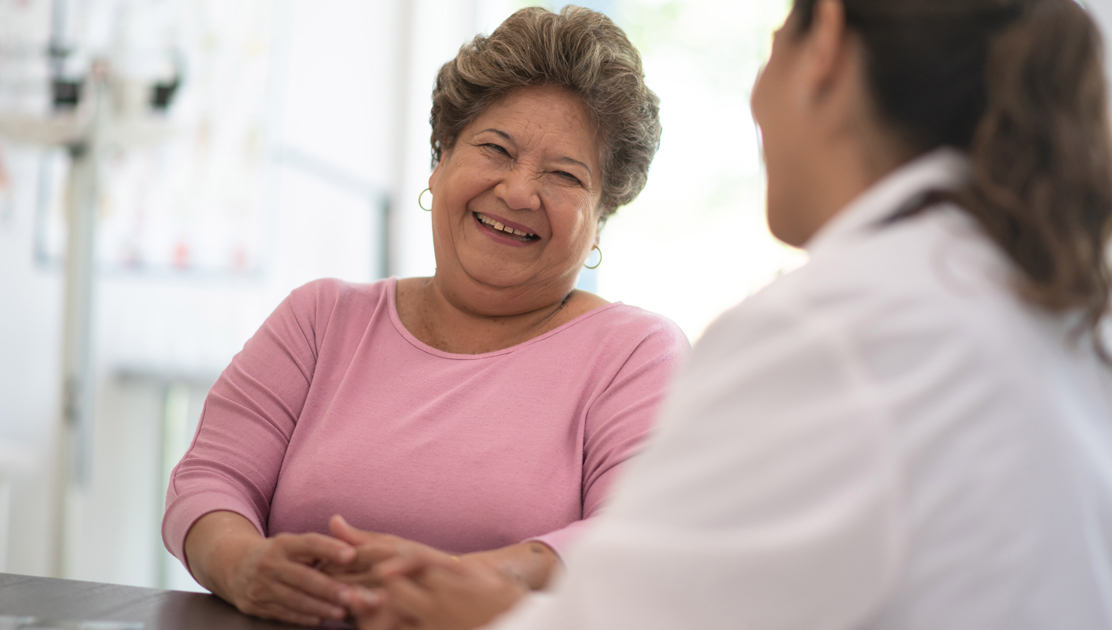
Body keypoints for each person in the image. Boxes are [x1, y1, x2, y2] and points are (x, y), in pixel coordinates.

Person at [342, 0, 1112, 628]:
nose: (756, 103)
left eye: (774, 44)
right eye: (496, 150)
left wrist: (487, 614)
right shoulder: (1046, 304)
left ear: (827, 45)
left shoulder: (837, 329)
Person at [160, 6, 687, 628]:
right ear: (440, 162)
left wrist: (484, 579)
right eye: (496, 148)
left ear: (601, 216)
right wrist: (243, 565)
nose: (519, 191)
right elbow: (209, 479)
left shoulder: (635, 353)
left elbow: (637, 535)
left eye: (565, 176)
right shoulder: (320, 318)